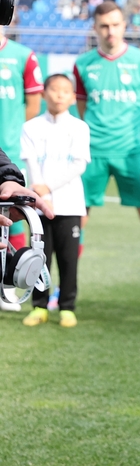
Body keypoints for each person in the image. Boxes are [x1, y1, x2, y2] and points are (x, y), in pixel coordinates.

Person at [74, 1, 140, 311]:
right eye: (104, 26)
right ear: (95, 28)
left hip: (132, 152)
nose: (110, 31)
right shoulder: (83, 65)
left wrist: (135, 138)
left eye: (115, 25)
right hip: (92, 154)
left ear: (124, 26)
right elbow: (84, 111)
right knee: (76, 222)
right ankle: (64, 289)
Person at [19, 74, 89, 328]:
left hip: (69, 203)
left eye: (65, 91)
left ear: (72, 97)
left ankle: (67, 307)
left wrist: (48, 187)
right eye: (54, 89)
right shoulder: (31, 127)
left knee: (69, 258)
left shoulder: (79, 127)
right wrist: (40, 192)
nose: (59, 95)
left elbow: (79, 164)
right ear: (44, 93)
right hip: (38, 205)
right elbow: (31, 161)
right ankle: (39, 306)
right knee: (39, 257)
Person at [0, 29, 44, 313]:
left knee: (11, 217)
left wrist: (7, 172)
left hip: (6, 154)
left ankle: (6, 284)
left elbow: (33, 105)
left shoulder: (22, 56)